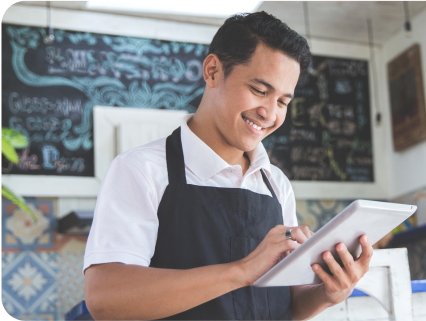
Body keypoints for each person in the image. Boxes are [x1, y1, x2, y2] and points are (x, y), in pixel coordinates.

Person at [84, 11, 373, 321]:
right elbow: (105, 298)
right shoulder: (140, 170)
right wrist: (242, 271)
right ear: (212, 71)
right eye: (260, 91)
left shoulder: (276, 184)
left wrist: (328, 294)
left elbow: (283, 306)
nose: (269, 113)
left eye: (282, 102)